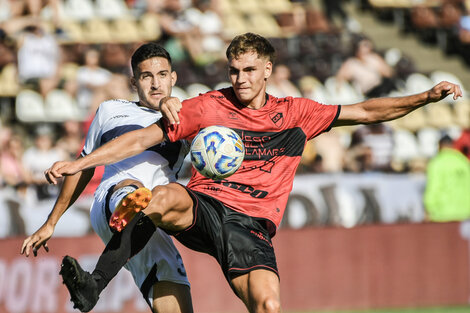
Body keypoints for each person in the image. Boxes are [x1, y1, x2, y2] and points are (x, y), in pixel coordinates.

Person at [44, 33, 462, 313]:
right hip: (205, 206)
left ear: (267, 69)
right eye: (233, 70)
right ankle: (94, 284)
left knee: (267, 304)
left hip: (251, 228)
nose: (239, 80)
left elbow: (367, 111)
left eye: (248, 70)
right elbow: (141, 139)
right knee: (163, 196)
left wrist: (426, 97)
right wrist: (79, 164)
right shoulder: (208, 105)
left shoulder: (297, 114)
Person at [21, 43, 193, 313]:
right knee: (135, 190)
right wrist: (51, 222)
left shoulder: (187, 120)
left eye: (162, 75)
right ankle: (130, 207)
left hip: (151, 221)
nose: (155, 83)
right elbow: (83, 168)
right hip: (113, 199)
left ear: (173, 78)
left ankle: (93, 284)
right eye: (146, 76)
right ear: (134, 82)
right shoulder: (110, 111)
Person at [424, 134, 470, 222]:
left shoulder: (437, 162)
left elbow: (434, 187)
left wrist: (428, 208)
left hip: (442, 214)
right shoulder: (463, 161)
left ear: (440, 146)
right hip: (465, 213)